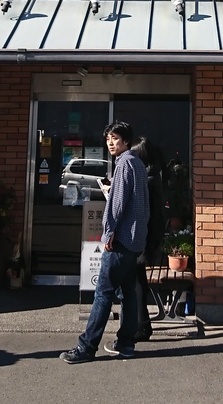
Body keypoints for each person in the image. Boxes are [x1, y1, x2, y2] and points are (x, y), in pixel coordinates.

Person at [61, 121, 148, 363]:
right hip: (134, 239)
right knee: (127, 293)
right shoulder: (138, 164)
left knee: (103, 293)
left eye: (115, 139)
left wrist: (109, 232)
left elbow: (118, 205)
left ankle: (86, 347)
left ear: (126, 141)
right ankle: (126, 343)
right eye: (108, 139)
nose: (111, 143)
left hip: (120, 240)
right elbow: (138, 203)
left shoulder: (124, 164)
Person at [127, 137, 167, 342]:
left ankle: (141, 326)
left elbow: (142, 210)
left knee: (136, 281)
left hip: (143, 235)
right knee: (137, 280)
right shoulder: (154, 176)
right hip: (148, 235)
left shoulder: (148, 180)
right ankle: (141, 325)